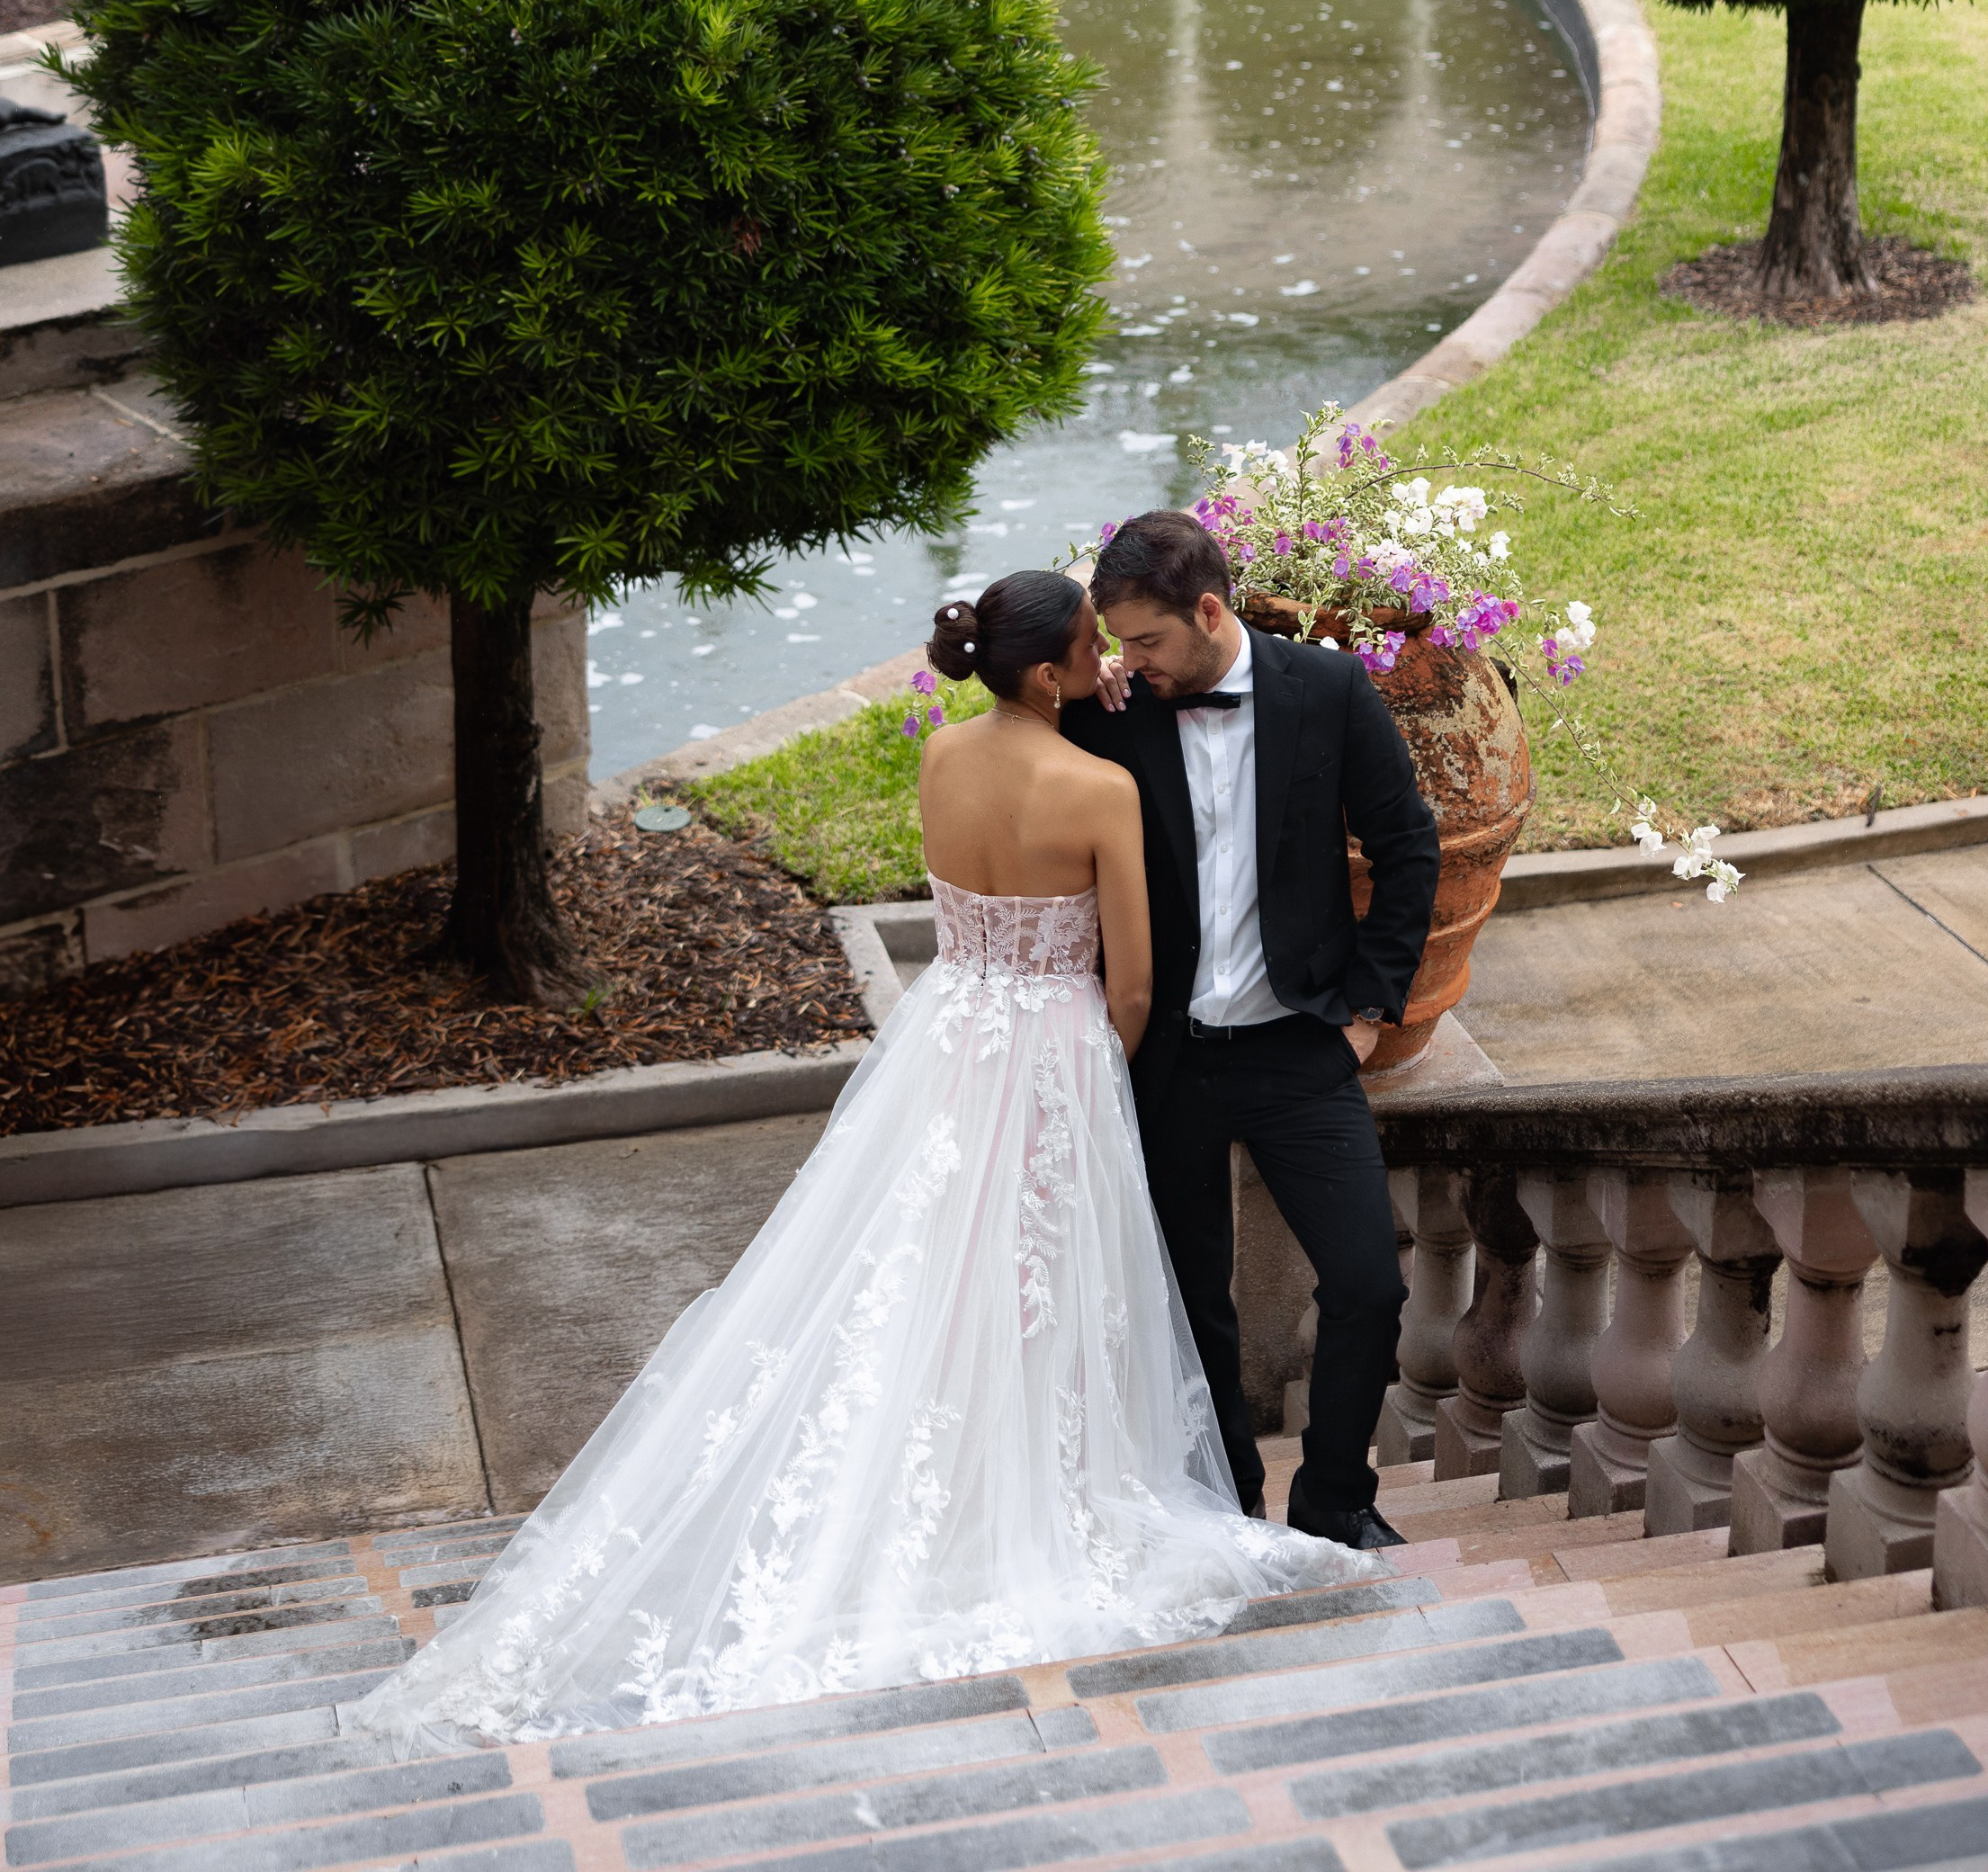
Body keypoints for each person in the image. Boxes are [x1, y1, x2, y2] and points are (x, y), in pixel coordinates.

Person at [348, 569, 1368, 1757]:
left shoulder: (941, 755)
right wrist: (1093, 1065)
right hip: (1049, 1046)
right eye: (1095, 646)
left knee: (922, 1262)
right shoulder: (1096, 787)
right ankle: (1017, 1500)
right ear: (1048, 672)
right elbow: (1132, 981)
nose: (1111, 664)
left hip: (949, 1030)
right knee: (1035, 1283)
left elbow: (960, 914)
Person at [1064, 509, 1441, 1550]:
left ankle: (1334, 1500)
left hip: (1296, 1044)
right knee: (1190, 1307)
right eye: (1115, 643)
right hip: (1167, 1056)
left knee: (1369, 1281)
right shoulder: (1107, 711)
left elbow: (1408, 844)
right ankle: (1227, 1513)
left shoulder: (1326, 691)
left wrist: (1372, 1005)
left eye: (1144, 640)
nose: (1128, 662)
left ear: (1209, 610)